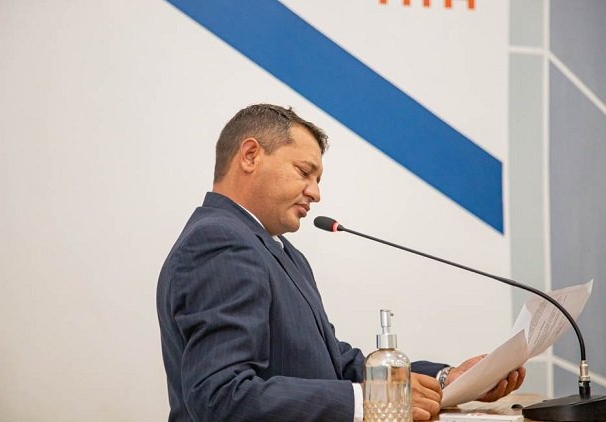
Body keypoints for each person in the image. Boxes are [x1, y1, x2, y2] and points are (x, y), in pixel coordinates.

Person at [156, 104, 525, 421]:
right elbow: (221, 396)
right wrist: (369, 401)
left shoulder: (280, 251)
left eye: (317, 179)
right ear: (250, 155)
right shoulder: (219, 241)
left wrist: (448, 380)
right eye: (304, 172)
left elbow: (338, 364)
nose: (315, 193)